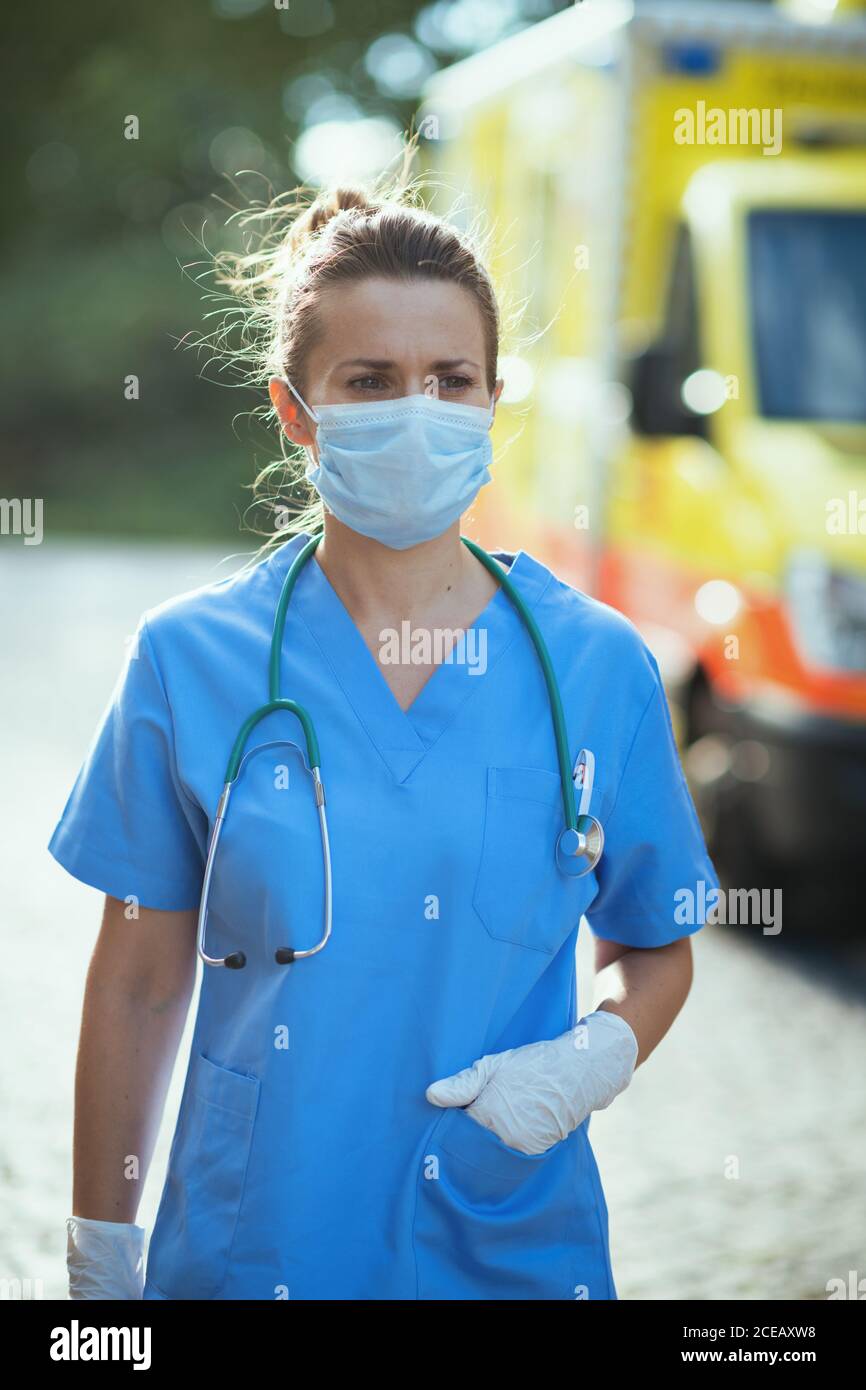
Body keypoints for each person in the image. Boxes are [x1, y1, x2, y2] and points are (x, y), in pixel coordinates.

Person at [51, 164, 720, 1301]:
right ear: (293, 410)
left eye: (449, 378)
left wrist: (591, 1056)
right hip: (254, 1244)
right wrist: (100, 1250)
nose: (417, 407)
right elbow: (136, 982)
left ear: (491, 400)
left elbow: (655, 941)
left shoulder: (596, 665)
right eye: (369, 380)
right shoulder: (188, 660)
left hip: (508, 1238)